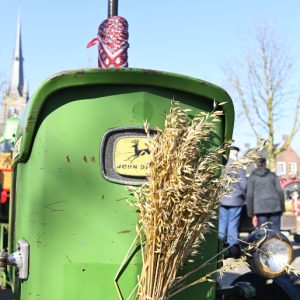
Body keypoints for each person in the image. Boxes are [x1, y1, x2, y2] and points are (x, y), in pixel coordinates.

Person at [246, 157, 285, 231]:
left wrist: (251, 213)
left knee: (264, 232)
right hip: (275, 207)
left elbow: (249, 195)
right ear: (265, 164)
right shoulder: (273, 175)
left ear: (255, 165)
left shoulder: (253, 177)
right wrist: (282, 208)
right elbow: (280, 191)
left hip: (260, 208)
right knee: (276, 232)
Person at [219, 146, 247, 246]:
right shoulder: (238, 166)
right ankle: (232, 247)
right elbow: (244, 184)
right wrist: (243, 196)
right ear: (236, 153)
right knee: (233, 224)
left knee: (222, 223)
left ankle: (220, 245)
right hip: (236, 200)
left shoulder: (223, 165)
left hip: (222, 199)